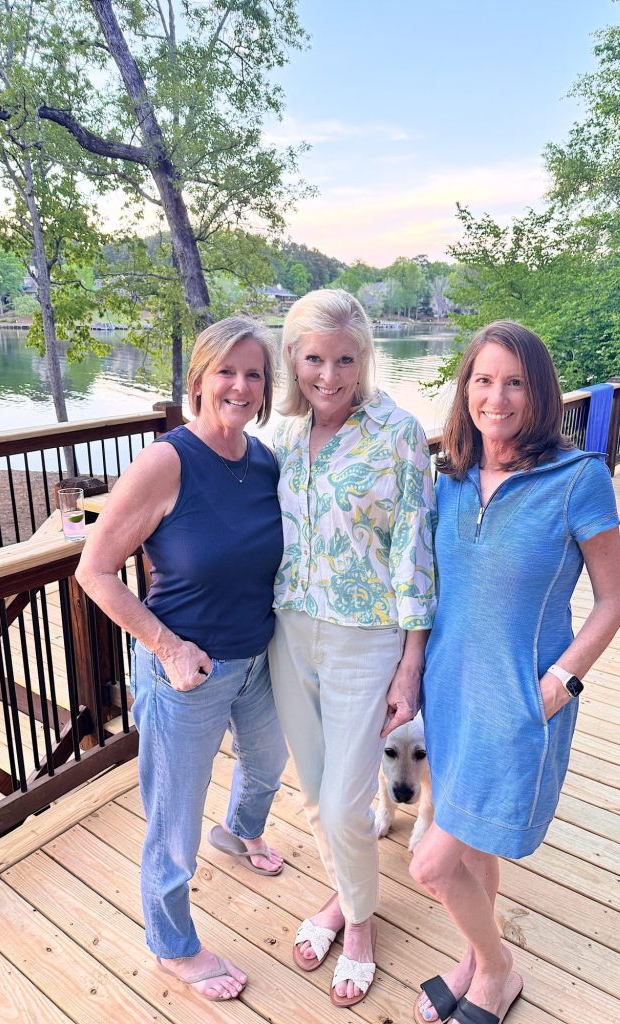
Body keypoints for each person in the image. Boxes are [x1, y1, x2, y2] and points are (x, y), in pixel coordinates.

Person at [410, 321, 620, 1024]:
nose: (496, 397)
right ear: (465, 389)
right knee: (470, 854)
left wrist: (561, 681)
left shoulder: (578, 479)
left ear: (540, 394)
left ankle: (499, 971)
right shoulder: (449, 481)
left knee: (432, 865)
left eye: (514, 382)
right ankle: (475, 959)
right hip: (449, 702)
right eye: (482, 380)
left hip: (516, 709)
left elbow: (612, 599)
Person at [76, 317, 288, 1004]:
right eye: (227, 371)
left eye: (254, 373)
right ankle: (172, 944)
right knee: (173, 822)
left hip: (257, 660)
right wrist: (167, 646)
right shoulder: (167, 462)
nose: (241, 385)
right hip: (188, 675)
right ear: (198, 379)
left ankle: (242, 833)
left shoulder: (263, 460)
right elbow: (95, 570)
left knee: (268, 763)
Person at [268, 288, 436, 1008]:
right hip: (286, 632)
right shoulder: (275, 434)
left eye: (344, 359)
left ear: (364, 357)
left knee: (345, 805)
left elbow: (415, 549)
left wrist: (411, 662)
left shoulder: (397, 430)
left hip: (366, 638)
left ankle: (359, 927)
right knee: (313, 794)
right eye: (313, 359)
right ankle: (345, 897)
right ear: (293, 360)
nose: (328, 376)